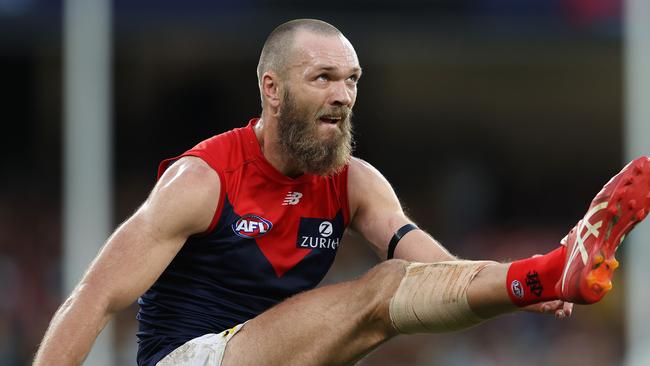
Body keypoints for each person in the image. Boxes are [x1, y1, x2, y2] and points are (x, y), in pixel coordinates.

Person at [34, 19, 650, 366]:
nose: (343, 95)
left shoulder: (353, 181)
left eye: (351, 80)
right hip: (189, 360)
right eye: (323, 78)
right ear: (271, 90)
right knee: (379, 295)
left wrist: (522, 290)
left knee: (392, 304)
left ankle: (547, 272)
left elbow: (430, 268)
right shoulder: (204, 179)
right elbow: (94, 297)